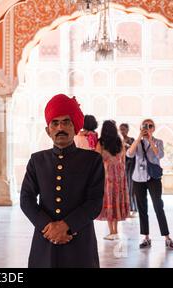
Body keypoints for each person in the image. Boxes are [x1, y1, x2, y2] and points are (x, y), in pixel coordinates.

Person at [20, 94, 105, 268]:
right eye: (55, 123)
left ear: (75, 128)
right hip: (45, 241)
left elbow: (94, 202)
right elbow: (26, 199)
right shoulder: (37, 161)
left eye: (66, 122)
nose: (60, 127)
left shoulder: (92, 161)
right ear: (48, 130)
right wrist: (48, 227)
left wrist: (67, 226)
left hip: (80, 242)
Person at [126, 119, 173, 250]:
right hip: (138, 178)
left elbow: (160, 155)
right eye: (145, 126)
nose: (148, 128)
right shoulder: (136, 142)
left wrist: (150, 140)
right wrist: (139, 138)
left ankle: (167, 237)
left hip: (153, 178)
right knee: (142, 208)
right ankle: (146, 237)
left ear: (154, 128)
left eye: (150, 126)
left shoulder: (158, 141)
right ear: (140, 127)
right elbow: (129, 154)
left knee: (158, 206)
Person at [96, 121, 130, 240]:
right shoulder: (119, 141)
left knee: (110, 200)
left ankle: (112, 232)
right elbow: (124, 158)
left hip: (107, 174)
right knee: (117, 200)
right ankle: (115, 231)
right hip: (119, 174)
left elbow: (97, 159)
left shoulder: (101, 142)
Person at [119, 123, 137, 216]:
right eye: (121, 129)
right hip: (120, 167)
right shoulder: (118, 140)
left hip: (130, 166)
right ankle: (123, 209)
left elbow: (133, 151)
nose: (122, 131)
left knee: (130, 187)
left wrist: (126, 145)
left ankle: (132, 208)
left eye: (124, 129)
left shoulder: (132, 140)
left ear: (127, 130)